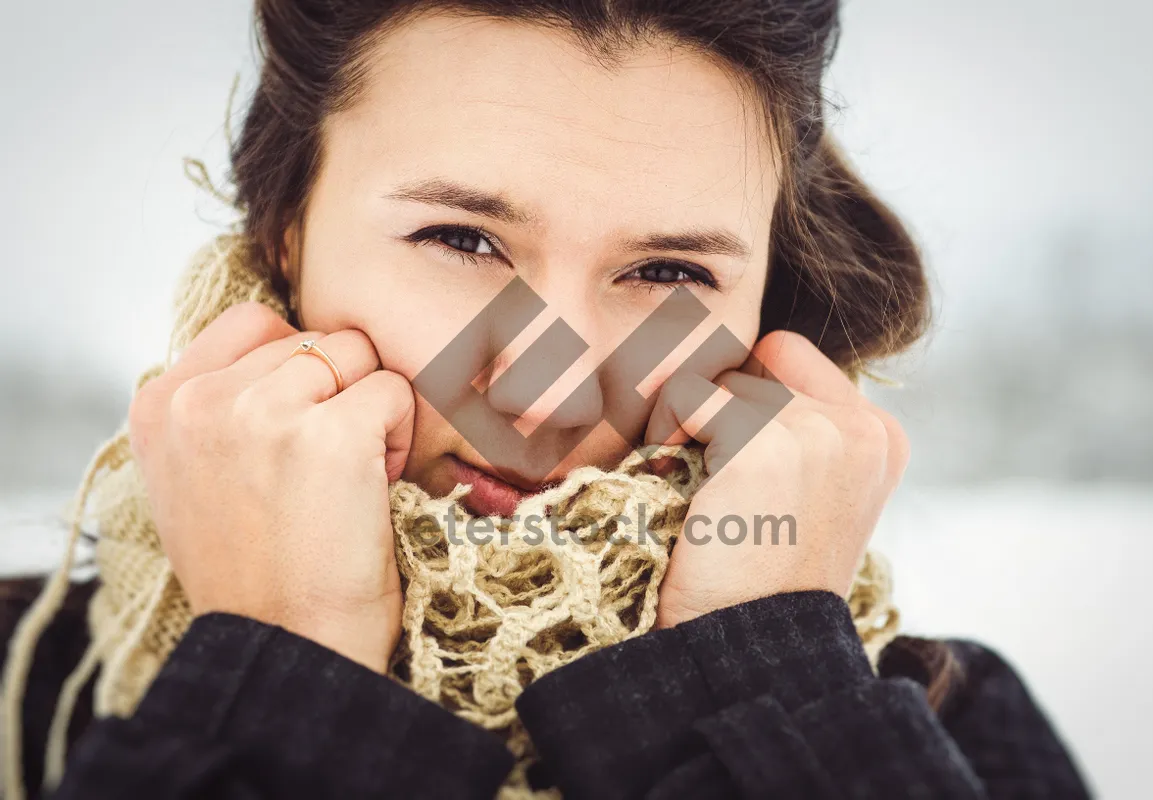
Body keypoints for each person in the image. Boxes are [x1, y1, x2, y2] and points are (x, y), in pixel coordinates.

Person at [1, 1, 1092, 797]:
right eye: (460, 239)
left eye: (669, 273)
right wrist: (291, 667)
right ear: (287, 231)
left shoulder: (948, 723)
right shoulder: (24, 685)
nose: (549, 391)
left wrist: (764, 685)